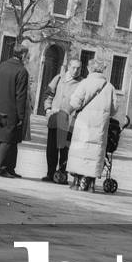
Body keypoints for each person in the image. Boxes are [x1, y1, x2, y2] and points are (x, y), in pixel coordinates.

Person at [66, 54, 118, 191]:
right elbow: (113, 110)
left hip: (83, 124)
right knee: (94, 153)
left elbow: (75, 103)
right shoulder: (110, 87)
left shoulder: (84, 83)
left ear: (90, 69)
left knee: (81, 151)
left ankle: (77, 181)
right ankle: (89, 182)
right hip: (100, 126)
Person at [42, 55, 82, 183]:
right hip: (54, 118)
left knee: (65, 149)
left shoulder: (82, 83)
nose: (76, 71)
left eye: (79, 68)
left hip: (69, 120)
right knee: (51, 148)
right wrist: (48, 109)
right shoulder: (58, 78)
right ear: (68, 67)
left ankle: (61, 175)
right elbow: (48, 94)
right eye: (74, 68)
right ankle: (50, 173)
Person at [0, 43, 29, 178]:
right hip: (11, 109)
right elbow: (20, 95)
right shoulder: (22, 71)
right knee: (7, 139)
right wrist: (21, 116)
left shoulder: (2, 66)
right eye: (27, 55)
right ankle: (0, 168)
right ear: (23, 55)